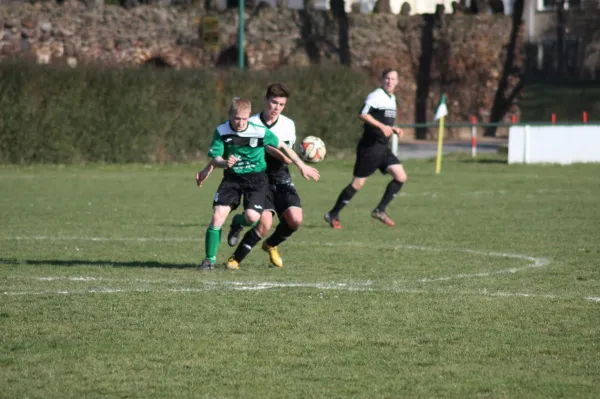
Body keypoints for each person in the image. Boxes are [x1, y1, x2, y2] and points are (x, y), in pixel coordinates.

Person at [197, 97, 319, 271]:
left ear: (249, 117)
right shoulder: (221, 131)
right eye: (237, 118)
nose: (240, 123)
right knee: (217, 215)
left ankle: (237, 222)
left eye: (244, 119)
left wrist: (302, 165)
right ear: (230, 115)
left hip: (256, 180)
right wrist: (224, 162)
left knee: (252, 217)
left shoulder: (259, 131)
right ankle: (209, 261)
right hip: (232, 179)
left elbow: (283, 146)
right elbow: (215, 158)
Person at [226, 83, 303, 269]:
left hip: (281, 175)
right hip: (258, 176)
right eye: (274, 102)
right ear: (265, 100)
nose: (277, 108)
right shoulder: (250, 122)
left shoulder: (288, 124)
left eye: (281, 104)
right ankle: (235, 260)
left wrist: (301, 162)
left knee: (295, 219)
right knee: (264, 223)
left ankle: (271, 244)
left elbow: (287, 156)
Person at [324, 68, 407, 229]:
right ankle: (333, 214)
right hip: (370, 147)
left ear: (397, 81)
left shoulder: (392, 98)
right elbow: (363, 114)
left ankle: (380, 210)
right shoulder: (376, 96)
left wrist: (393, 128)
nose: (390, 81)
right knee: (357, 184)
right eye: (387, 78)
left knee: (400, 176)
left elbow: (383, 121)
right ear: (382, 80)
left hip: (383, 147)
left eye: (393, 79)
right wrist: (383, 126)